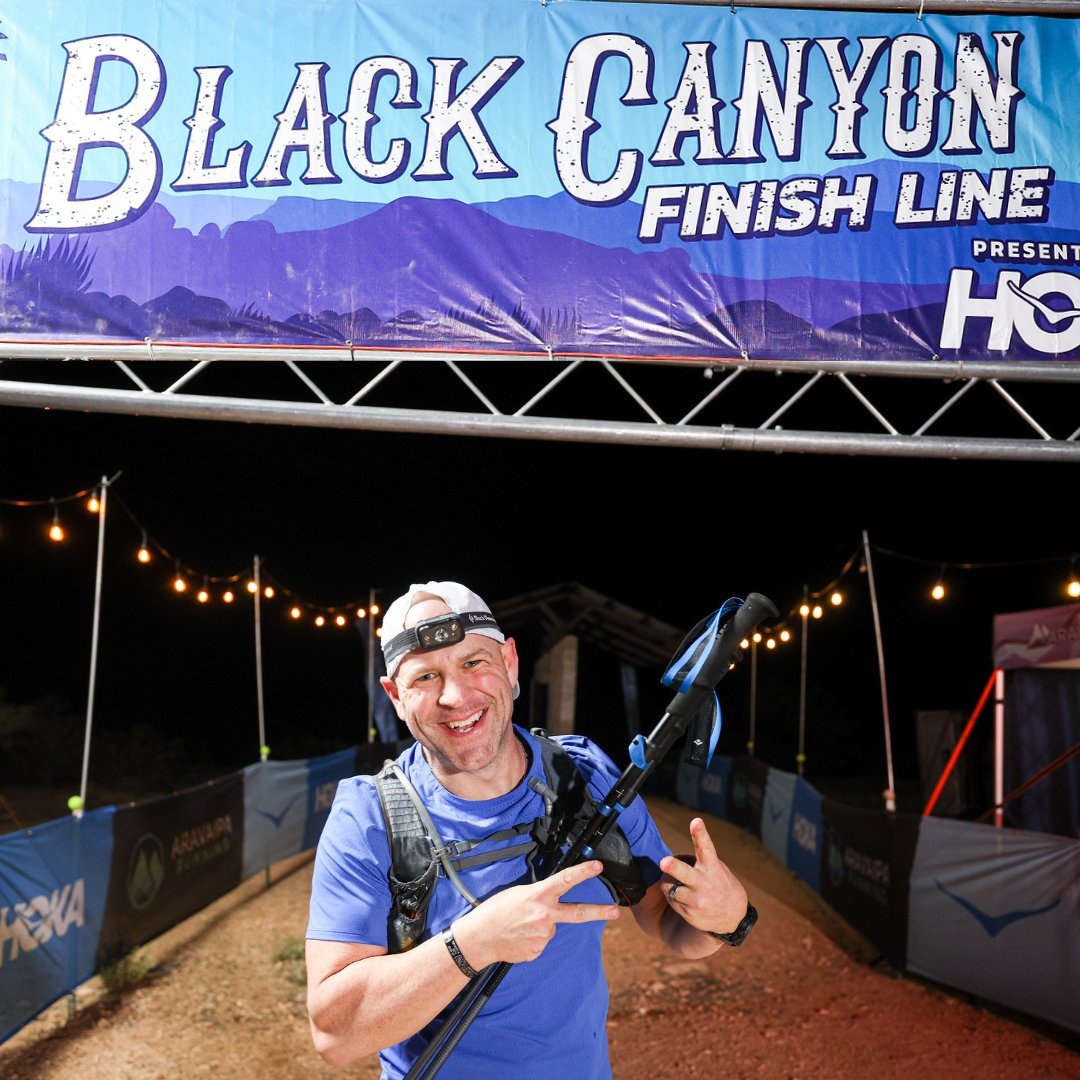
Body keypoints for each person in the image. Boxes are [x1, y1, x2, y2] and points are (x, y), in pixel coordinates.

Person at [306, 581, 755, 1079]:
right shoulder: (368, 817)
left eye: (474, 662)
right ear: (394, 695)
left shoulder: (582, 774)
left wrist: (725, 919)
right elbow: (335, 1035)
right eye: (426, 677)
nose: (455, 696)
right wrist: (472, 943)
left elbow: (662, 916)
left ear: (510, 663)